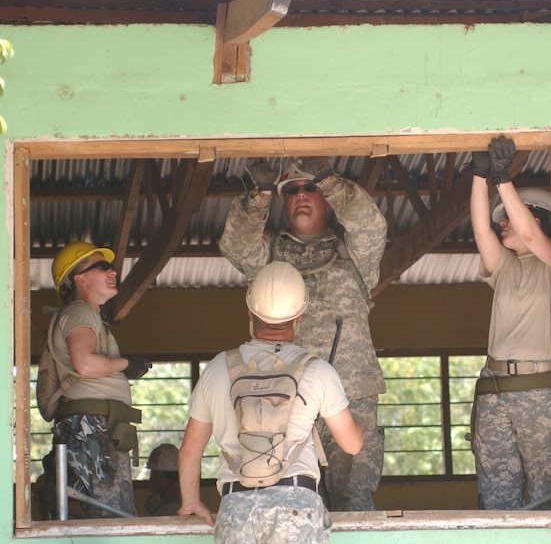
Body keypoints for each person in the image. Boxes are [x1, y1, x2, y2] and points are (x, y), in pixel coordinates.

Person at [219, 157, 386, 511]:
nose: (301, 195)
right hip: (286, 402)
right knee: (288, 501)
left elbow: (371, 227)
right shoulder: (270, 257)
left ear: (325, 197)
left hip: (351, 396)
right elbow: (236, 246)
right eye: (291, 190)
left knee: (354, 503)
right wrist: (260, 195)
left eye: (310, 187)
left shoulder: (353, 253)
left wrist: (330, 179)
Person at [177, 261, 363, 543]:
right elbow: (352, 445)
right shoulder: (318, 372)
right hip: (296, 506)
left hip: (236, 507)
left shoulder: (217, 368)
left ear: (249, 311)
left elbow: (190, 450)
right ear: (299, 317)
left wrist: (191, 501)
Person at [469, 136, 551, 510]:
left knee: (549, 497)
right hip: (495, 391)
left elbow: (529, 235)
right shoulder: (506, 267)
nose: (502, 223)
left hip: (541, 394)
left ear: (538, 217)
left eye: (509, 215)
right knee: (496, 502)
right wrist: (480, 175)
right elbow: (481, 231)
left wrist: (502, 178)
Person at [41, 241, 152, 518]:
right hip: (93, 427)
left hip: (96, 427)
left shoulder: (86, 315)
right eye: (102, 266)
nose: (112, 270)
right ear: (80, 279)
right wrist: (126, 364)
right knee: (113, 518)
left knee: (109, 513)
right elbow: (85, 363)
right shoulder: (80, 312)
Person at [144, 443, 182, 516]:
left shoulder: (169, 512)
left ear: (177, 481)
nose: (152, 482)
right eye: (152, 475)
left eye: (156, 476)